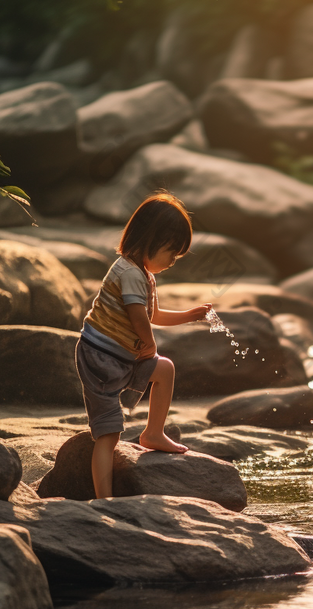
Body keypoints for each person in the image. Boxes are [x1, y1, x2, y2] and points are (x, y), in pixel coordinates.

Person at [75, 192, 212, 499]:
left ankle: (153, 433)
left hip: (119, 355)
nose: (172, 262)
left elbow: (153, 314)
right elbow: (139, 318)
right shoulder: (129, 273)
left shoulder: (143, 274)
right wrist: (148, 343)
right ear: (149, 239)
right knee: (109, 432)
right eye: (171, 254)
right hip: (100, 358)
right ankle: (104, 500)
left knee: (164, 368)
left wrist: (191, 315)